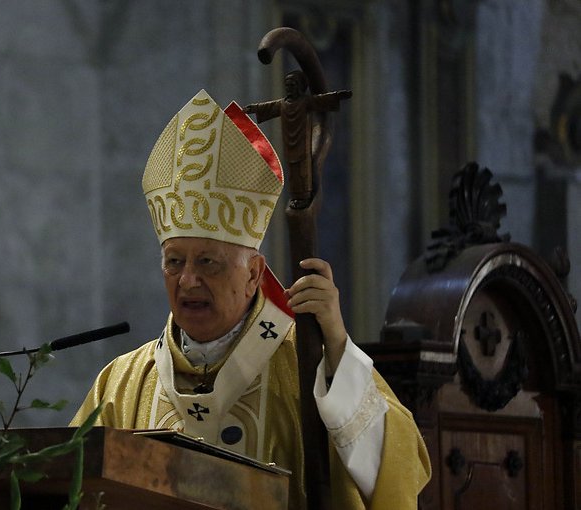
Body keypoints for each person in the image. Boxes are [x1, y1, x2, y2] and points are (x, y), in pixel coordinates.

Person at [70, 90, 430, 509]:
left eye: (208, 262)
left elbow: (399, 467)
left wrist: (335, 349)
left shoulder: (305, 366)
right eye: (174, 261)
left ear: (254, 275)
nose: (187, 281)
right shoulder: (121, 385)